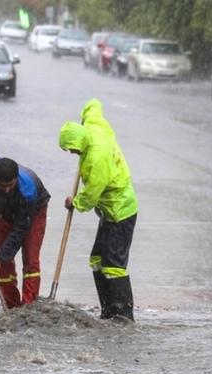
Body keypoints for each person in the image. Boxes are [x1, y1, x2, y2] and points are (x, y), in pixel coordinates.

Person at [58, 98, 139, 322]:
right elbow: (94, 105)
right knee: (97, 260)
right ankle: (107, 310)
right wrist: (85, 117)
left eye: (73, 149)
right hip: (108, 212)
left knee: (113, 265)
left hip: (119, 211)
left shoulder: (96, 159)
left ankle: (123, 315)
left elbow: (92, 193)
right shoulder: (94, 126)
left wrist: (74, 203)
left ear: (81, 142)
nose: (72, 153)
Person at [0, 157, 51, 309]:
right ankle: (11, 307)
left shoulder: (28, 192)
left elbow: (20, 230)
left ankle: (28, 308)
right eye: (1, 185)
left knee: (30, 259)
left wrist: (0, 257)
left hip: (33, 211)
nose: (6, 190)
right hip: (4, 212)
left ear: (16, 179)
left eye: (10, 185)